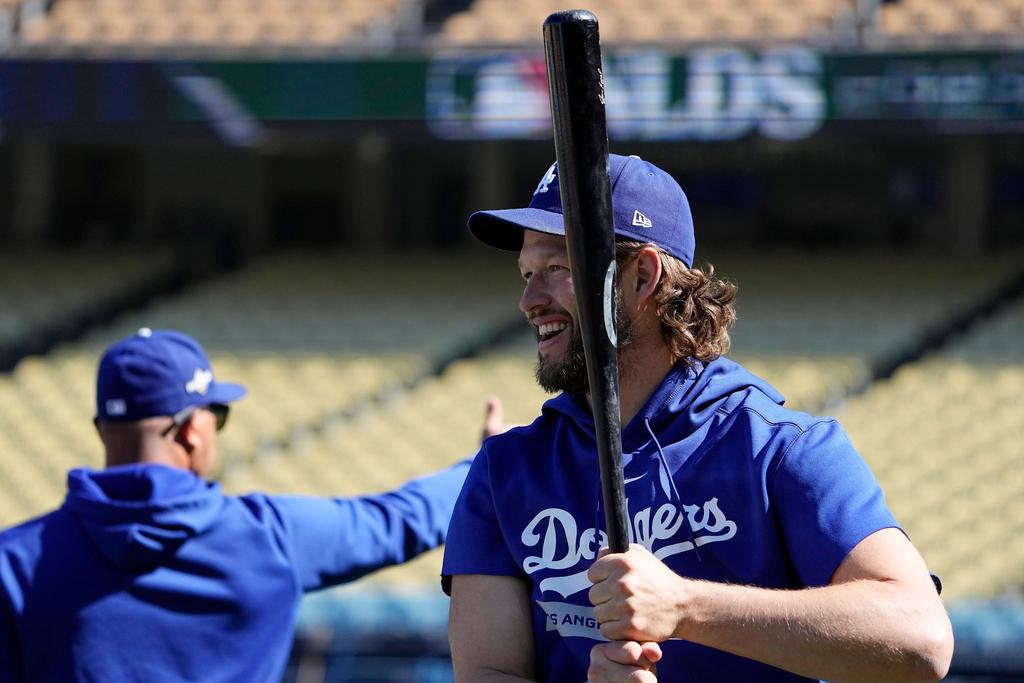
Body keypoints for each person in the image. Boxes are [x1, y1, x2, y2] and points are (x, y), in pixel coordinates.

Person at [442, 154, 954, 683]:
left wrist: (685, 608)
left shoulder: (781, 448)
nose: (529, 299)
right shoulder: (505, 469)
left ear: (642, 276)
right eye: (527, 273)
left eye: (557, 269)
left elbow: (921, 640)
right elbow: (487, 672)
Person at [0, 328, 475, 682]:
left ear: (101, 428)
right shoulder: (271, 536)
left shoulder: (15, 561)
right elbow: (401, 520)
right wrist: (485, 463)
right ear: (191, 431)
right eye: (217, 414)